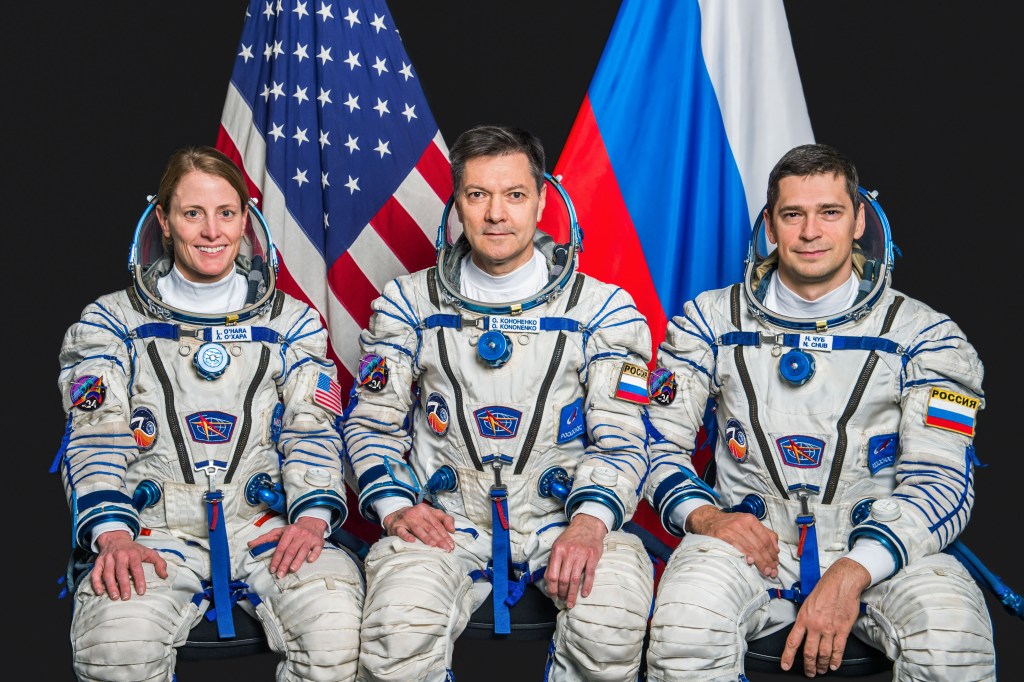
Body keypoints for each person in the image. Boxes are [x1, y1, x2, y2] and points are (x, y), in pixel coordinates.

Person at [643, 143, 996, 680]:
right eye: (793, 214)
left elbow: (941, 480)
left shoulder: (926, 336)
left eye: (829, 212)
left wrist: (856, 568)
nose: (811, 232)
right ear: (770, 224)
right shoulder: (707, 323)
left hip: (880, 547)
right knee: (684, 626)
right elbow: (651, 443)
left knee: (952, 636)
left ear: (858, 220)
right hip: (751, 541)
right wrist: (708, 516)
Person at [343, 124, 655, 681]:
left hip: (564, 518)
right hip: (447, 520)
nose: (496, 214)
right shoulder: (407, 303)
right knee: (397, 634)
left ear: (541, 200)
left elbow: (623, 438)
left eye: (514, 195)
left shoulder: (604, 309)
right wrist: (396, 507)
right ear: (457, 205)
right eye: (477, 195)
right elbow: (371, 425)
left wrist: (589, 522)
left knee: (610, 629)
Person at [55, 145, 363, 681]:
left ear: (246, 220)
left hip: (265, 525)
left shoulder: (291, 324)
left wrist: (312, 518)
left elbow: (311, 428)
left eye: (225, 213)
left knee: (338, 629)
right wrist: (113, 534)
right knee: (115, 646)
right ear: (165, 221)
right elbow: (95, 437)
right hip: (150, 532)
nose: (211, 231)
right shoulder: (111, 323)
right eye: (192, 213)